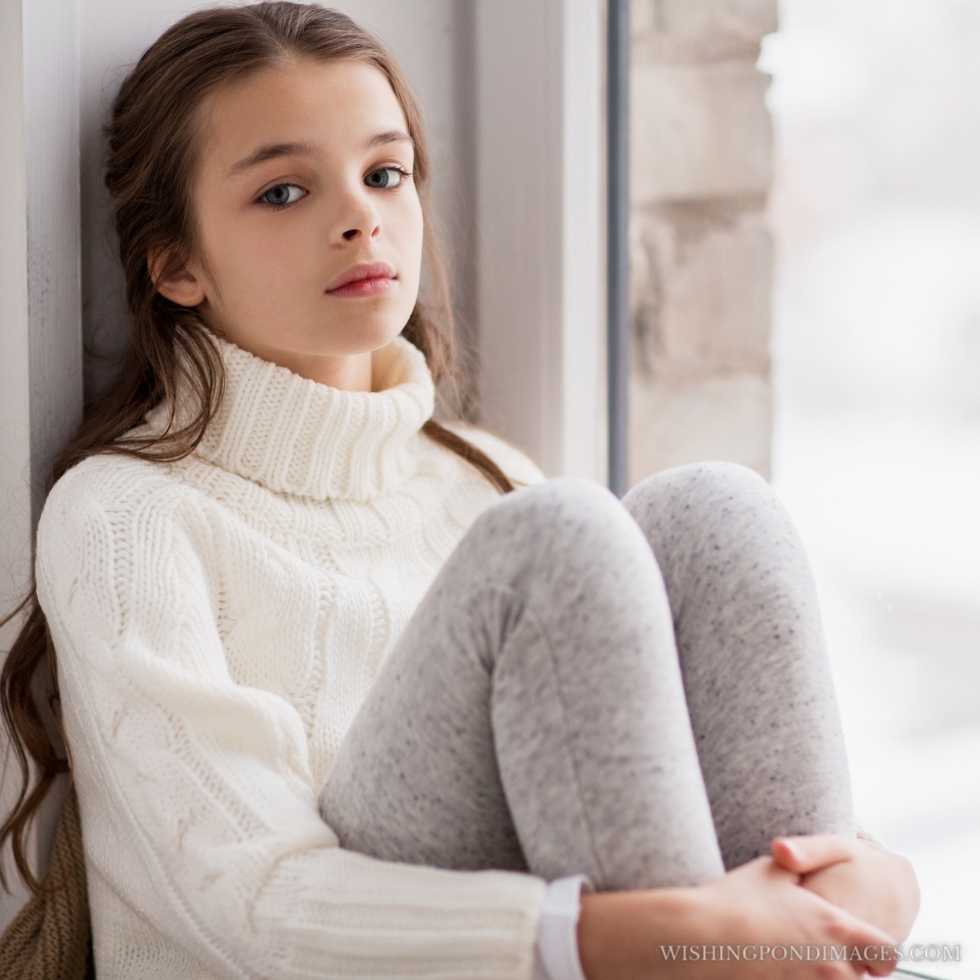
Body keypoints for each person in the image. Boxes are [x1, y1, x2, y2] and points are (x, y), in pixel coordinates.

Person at [0, 3, 920, 978]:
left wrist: (873, 873)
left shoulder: (480, 482)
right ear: (176, 265)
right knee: (560, 537)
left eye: (384, 172)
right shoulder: (128, 518)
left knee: (712, 512)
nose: (358, 213)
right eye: (282, 192)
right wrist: (633, 938)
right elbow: (258, 906)